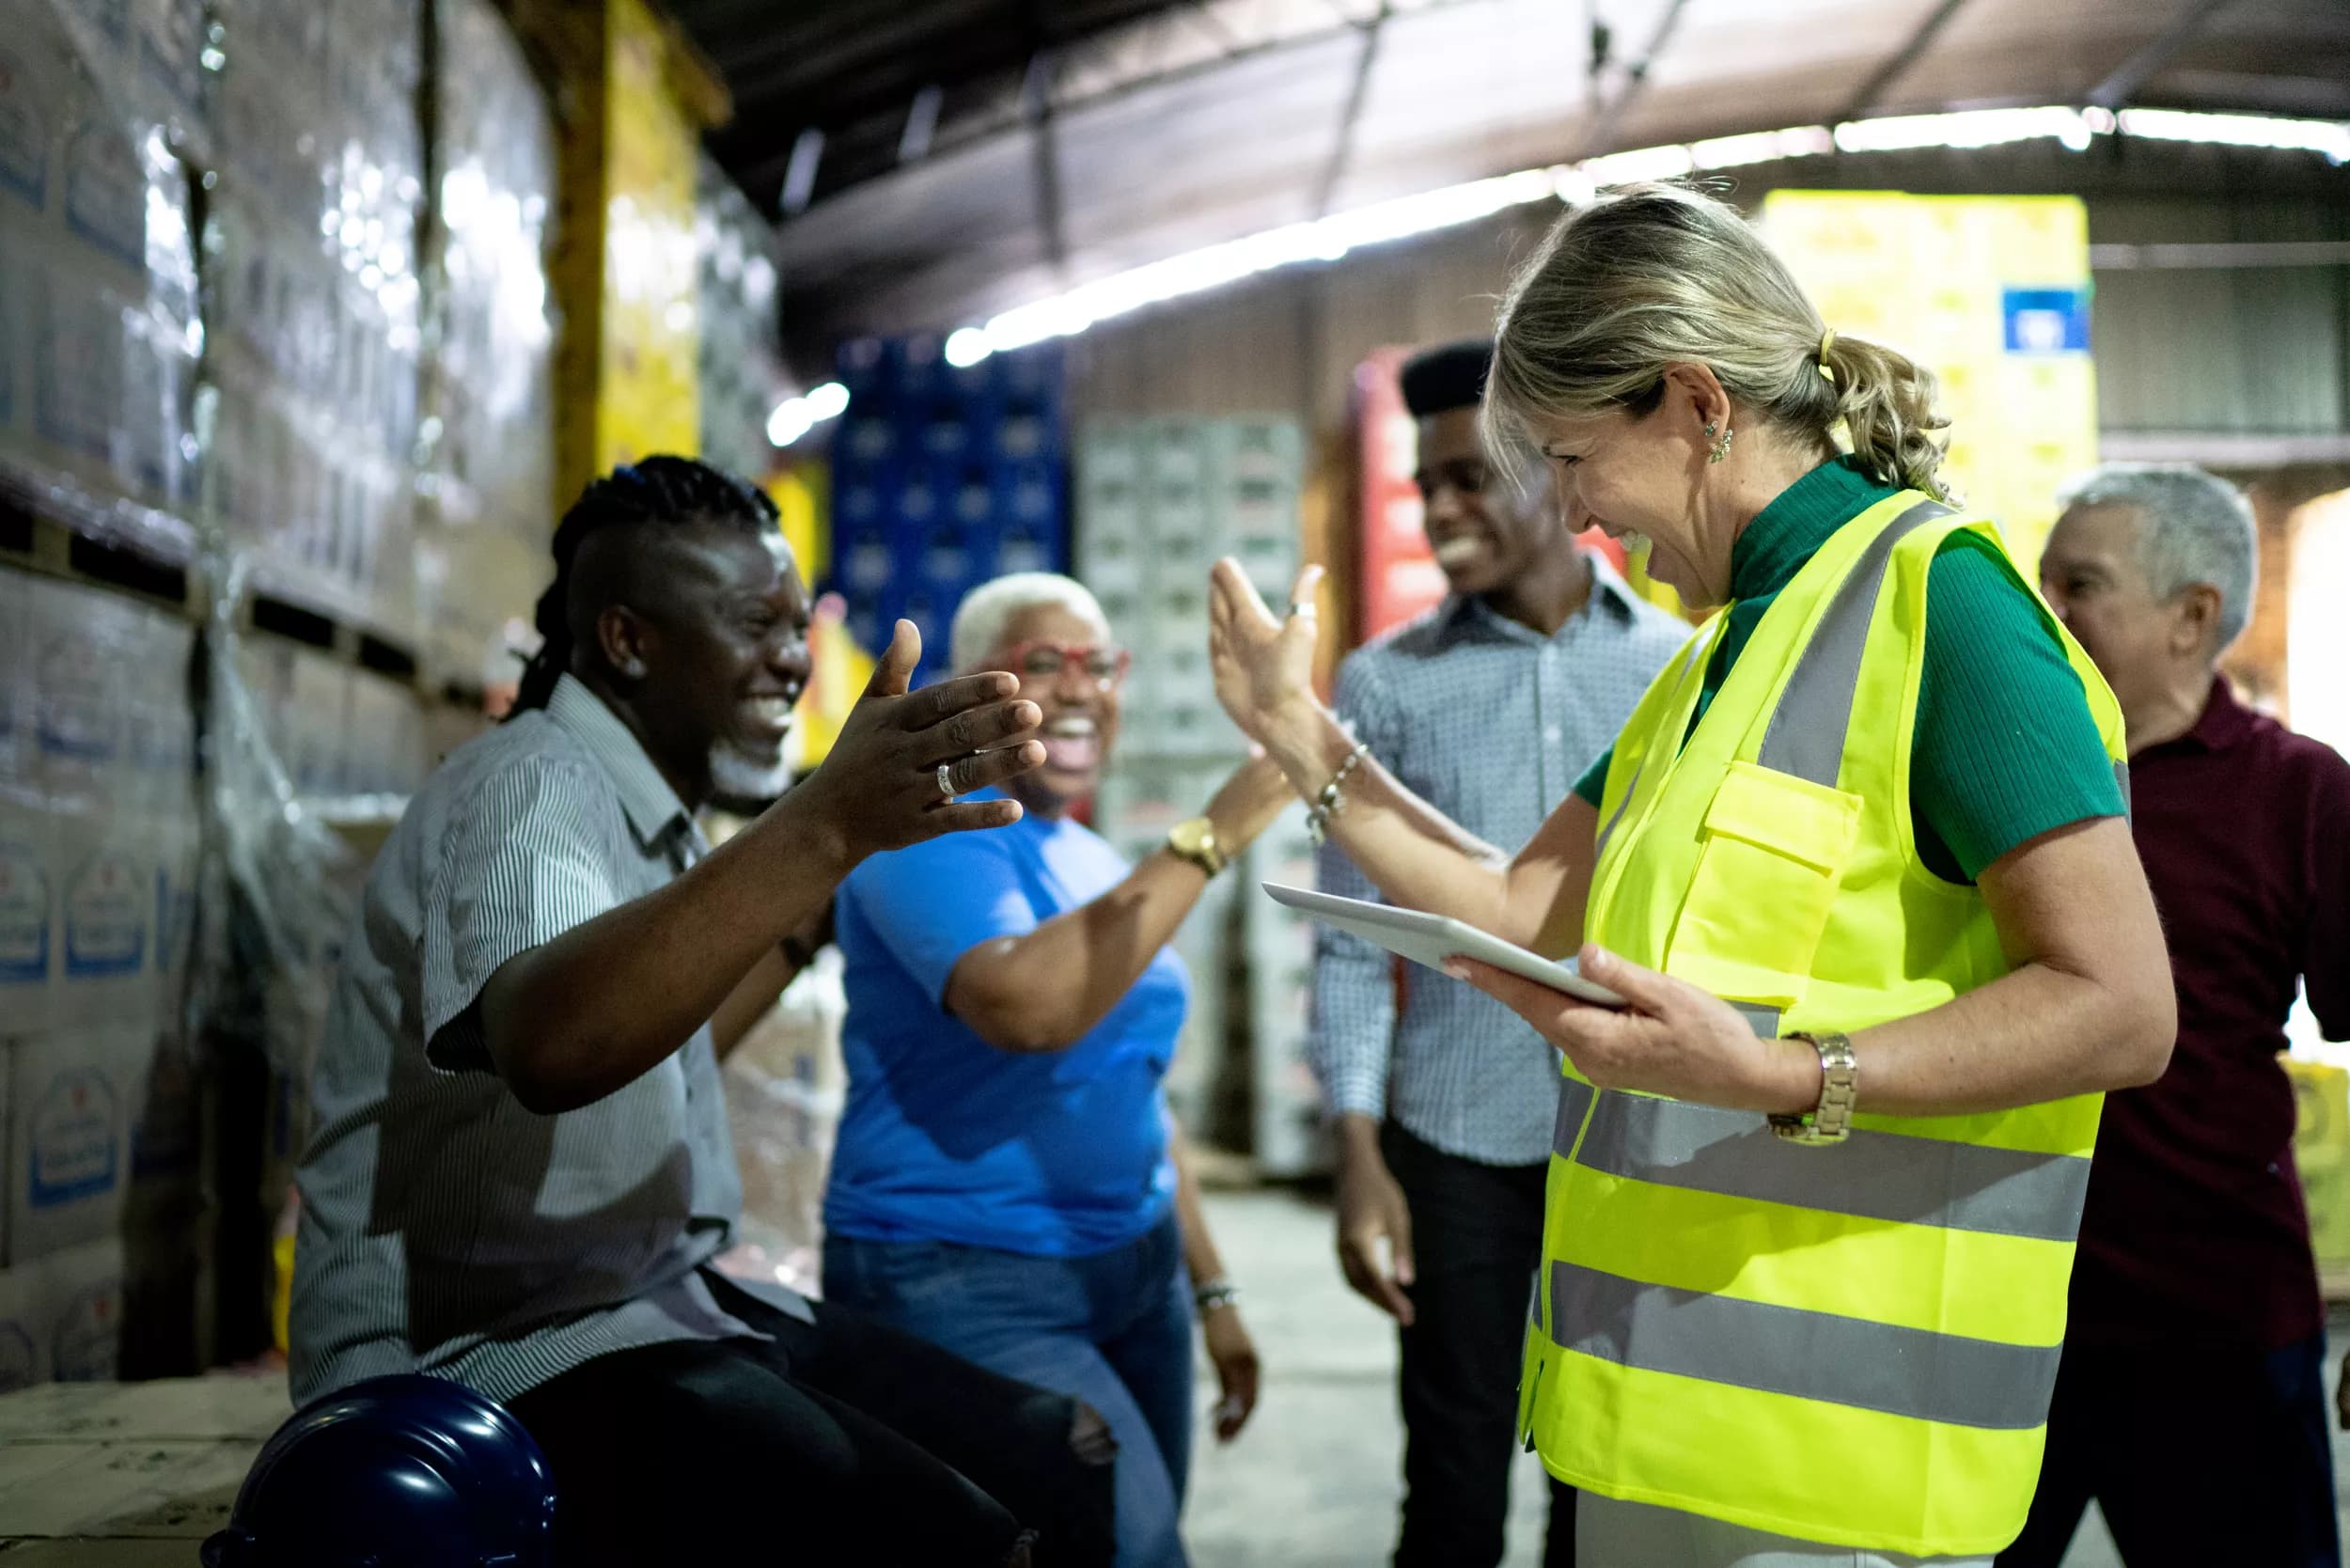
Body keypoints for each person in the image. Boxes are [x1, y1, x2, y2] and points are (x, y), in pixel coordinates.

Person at [1206, 183, 2176, 1567]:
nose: (1576, 514)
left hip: (1837, 1468)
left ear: (1692, 402)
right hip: (1669, 1433)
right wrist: (1298, 733)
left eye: (1571, 457)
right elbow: (1517, 907)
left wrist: (1785, 1076)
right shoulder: (1723, 658)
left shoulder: (1945, 610)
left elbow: (2124, 1008)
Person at [290, 458, 1117, 1568]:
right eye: (754, 626)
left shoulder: (659, 811)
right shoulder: (532, 784)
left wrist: (821, 891)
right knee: (964, 1542)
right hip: (493, 1356)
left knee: (1062, 1446)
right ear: (629, 641)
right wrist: (820, 826)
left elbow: (665, 1045)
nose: (793, 660)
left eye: (796, 626)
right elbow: (554, 1044)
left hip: (648, 1303)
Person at [822, 572, 1289, 1568]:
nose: (1080, 689)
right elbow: (1025, 1010)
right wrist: (1211, 834)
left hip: (1135, 1270)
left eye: (1099, 665)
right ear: (973, 686)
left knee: (1119, 1540)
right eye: (1044, 663)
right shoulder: (924, 831)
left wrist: (1211, 1294)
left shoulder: (1081, 855)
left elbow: (1132, 1088)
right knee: (1134, 1545)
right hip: (962, 1273)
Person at [1311, 338, 1684, 1568]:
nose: (1445, 508)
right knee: (1455, 1467)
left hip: (1631, 1132)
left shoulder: (1676, 671)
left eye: (1471, 477)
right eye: (1430, 485)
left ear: (1555, 475)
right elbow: (1357, 949)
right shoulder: (1385, 685)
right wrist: (1358, 1152)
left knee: (1608, 1470)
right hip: (1453, 1138)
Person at [1998, 464, 2350, 1568]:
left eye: (2078, 587)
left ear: (2192, 615)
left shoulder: (2297, 792)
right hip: (2005, 1322)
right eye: (2039, 585)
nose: (2043, 618)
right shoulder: (1994, 775)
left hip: (2219, 1326)